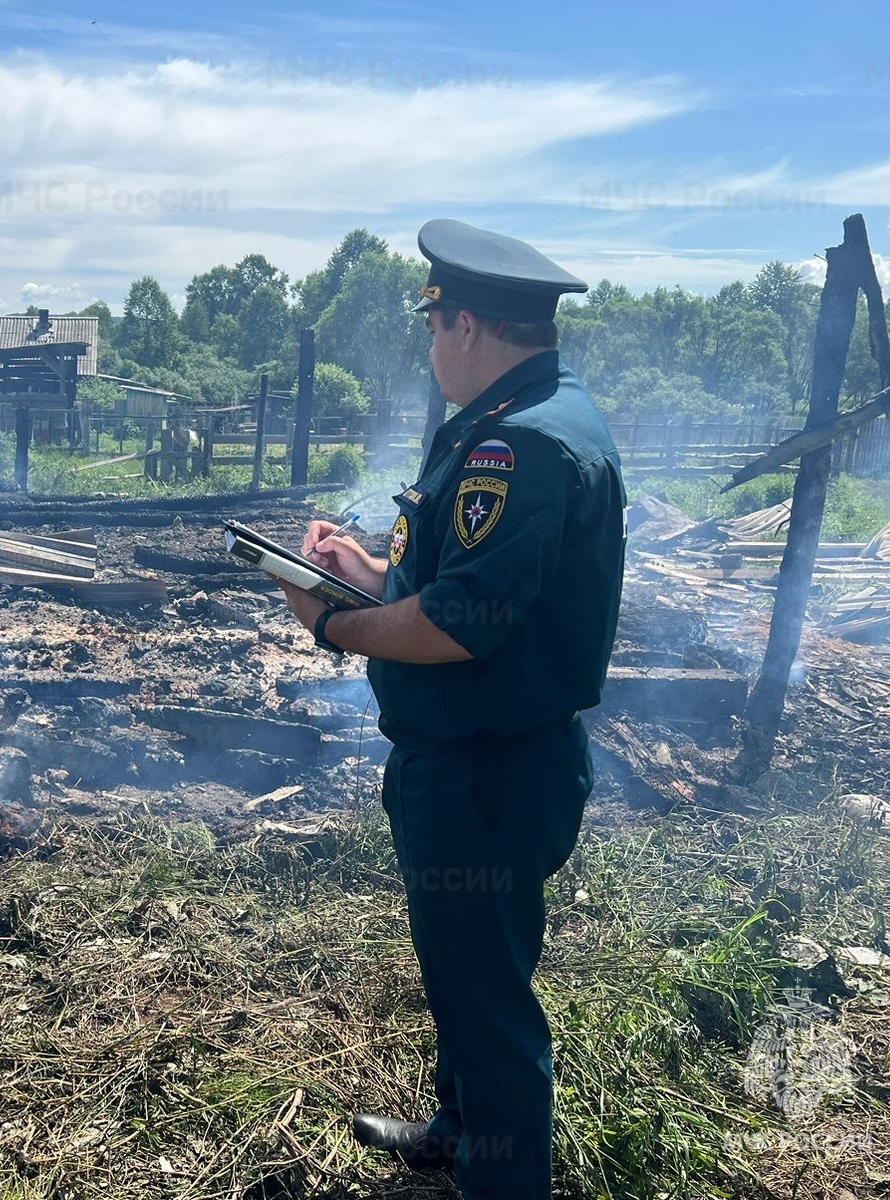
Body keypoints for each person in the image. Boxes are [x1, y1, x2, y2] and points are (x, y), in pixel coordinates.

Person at [274, 219, 626, 1199]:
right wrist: (368, 572)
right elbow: (446, 577)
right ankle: (458, 1131)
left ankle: (499, 1180)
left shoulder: (516, 445)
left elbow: (462, 623)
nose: (429, 347)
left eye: (433, 326)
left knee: (486, 995)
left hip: (487, 771)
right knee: (462, 969)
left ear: (467, 325)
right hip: (477, 759)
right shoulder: (524, 415)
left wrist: (331, 624)